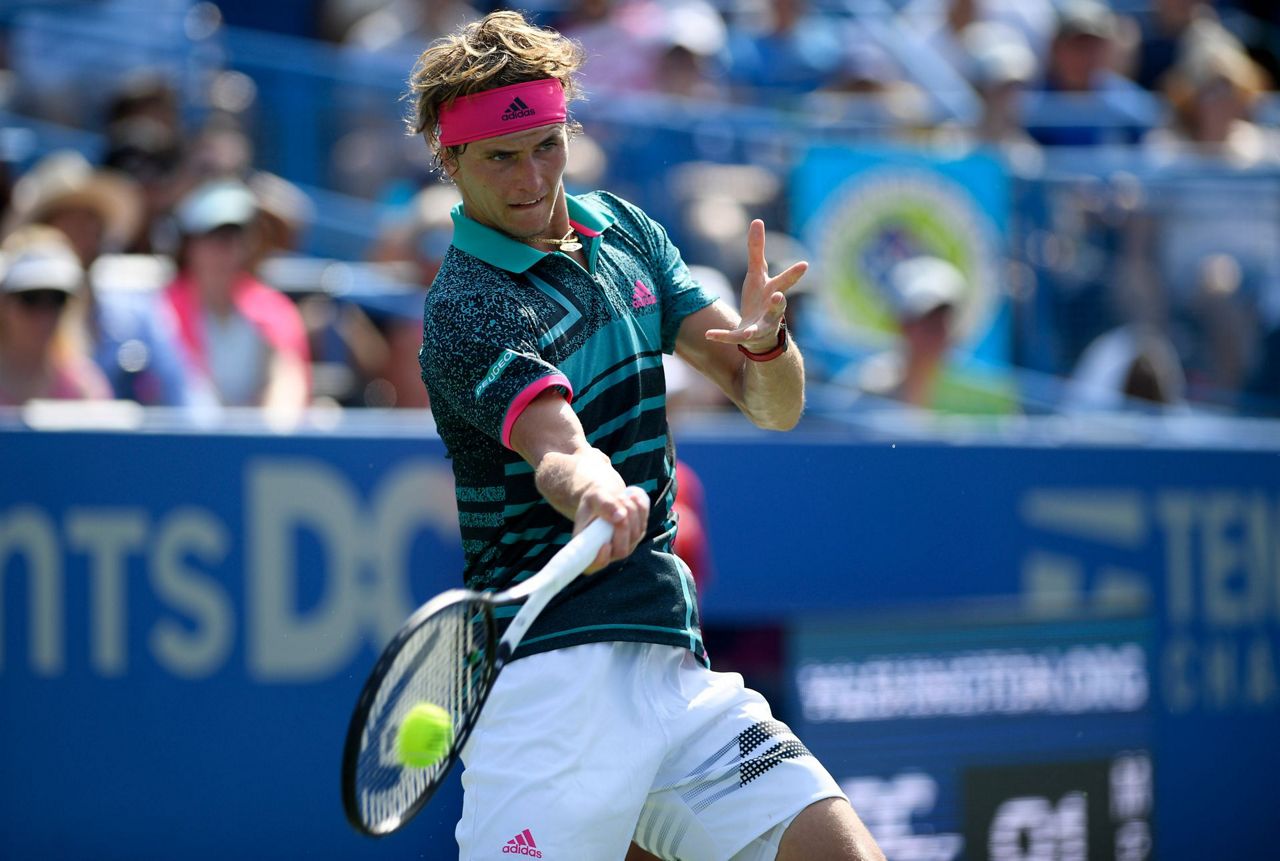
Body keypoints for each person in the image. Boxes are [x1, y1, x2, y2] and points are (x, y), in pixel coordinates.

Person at [410, 11, 884, 861]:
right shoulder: (464, 309)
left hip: (676, 674)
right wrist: (592, 487)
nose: (532, 178)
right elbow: (556, 445)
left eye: (547, 146)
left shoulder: (627, 234)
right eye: (500, 157)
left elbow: (771, 404)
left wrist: (767, 342)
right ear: (450, 160)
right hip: (550, 692)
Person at [162, 178, 311, 413]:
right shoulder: (160, 310)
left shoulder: (274, 310)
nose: (226, 250)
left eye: (235, 238)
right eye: (214, 237)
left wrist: (267, 436)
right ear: (189, 245)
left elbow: (288, 384)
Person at [0, 225, 111, 405]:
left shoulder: (84, 387)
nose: (44, 314)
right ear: (4, 302)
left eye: (57, 299)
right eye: (31, 298)